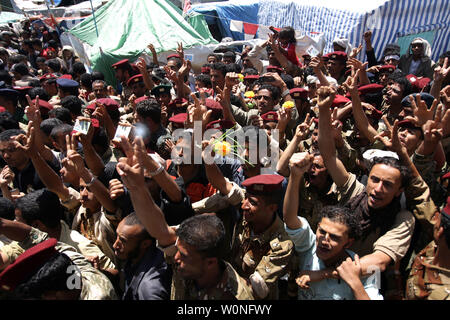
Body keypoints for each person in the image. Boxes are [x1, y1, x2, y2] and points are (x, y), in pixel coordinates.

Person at [284, 154, 383, 299]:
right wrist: (295, 175)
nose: (324, 240)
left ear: (349, 242)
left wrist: (354, 282)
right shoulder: (310, 246)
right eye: (322, 231)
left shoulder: (366, 269)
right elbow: (290, 219)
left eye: (334, 237)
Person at [113, 212, 171, 300]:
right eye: (117, 236)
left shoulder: (149, 289)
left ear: (145, 244)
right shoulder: (135, 256)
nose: (115, 245)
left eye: (123, 241)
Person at [405, 197, 450, 300]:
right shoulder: (439, 245)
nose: (435, 218)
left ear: (440, 231)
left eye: (438, 216)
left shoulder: (442, 295)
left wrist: (359, 287)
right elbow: (424, 204)